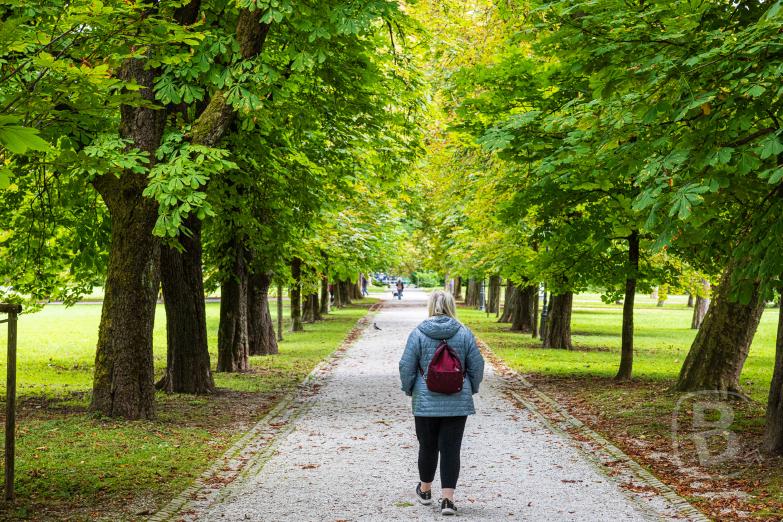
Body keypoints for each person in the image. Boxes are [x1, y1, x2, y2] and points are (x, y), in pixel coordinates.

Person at [398, 290, 485, 516]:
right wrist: (470, 388)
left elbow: (406, 366)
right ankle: (448, 500)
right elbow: (477, 365)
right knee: (451, 448)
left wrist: (410, 389)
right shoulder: (464, 333)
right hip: (457, 400)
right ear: (451, 306)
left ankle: (425, 490)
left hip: (425, 402)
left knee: (427, 445)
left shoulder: (418, 333)